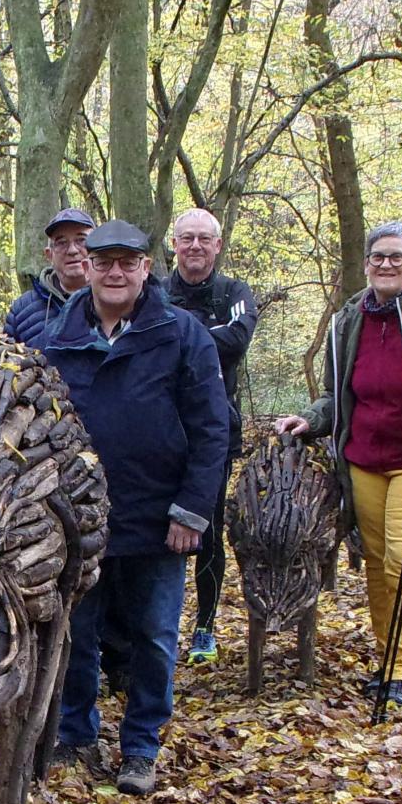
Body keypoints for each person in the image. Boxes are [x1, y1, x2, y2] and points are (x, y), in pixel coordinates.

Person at [42, 221, 230, 796]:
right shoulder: (60, 334)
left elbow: (211, 428)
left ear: (147, 267)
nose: (115, 273)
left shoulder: (181, 332)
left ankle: (141, 746)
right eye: (105, 263)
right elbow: (39, 426)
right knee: (76, 632)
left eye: (128, 262)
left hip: (159, 518)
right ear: (87, 267)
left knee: (152, 636)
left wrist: (191, 512)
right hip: (79, 519)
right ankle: (75, 735)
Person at [275, 221, 402, 707]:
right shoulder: (349, 320)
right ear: (367, 263)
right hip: (364, 460)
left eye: (396, 257)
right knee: (375, 561)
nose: (386, 265)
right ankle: (385, 655)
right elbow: (337, 396)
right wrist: (309, 419)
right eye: (378, 257)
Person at [162, 208, 259, 666]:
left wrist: (178, 333)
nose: (196, 246)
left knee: (206, 529)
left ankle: (204, 625)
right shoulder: (155, 291)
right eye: (187, 238)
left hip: (215, 431)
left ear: (218, 246)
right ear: (174, 245)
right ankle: (150, 629)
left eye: (205, 239)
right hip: (158, 429)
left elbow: (237, 338)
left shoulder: (233, 292)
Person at [4, 208, 94, 347]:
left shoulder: (115, 301)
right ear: (49, 254)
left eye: (81, 240)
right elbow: (7, 362)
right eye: (61, 242)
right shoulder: (22, 310)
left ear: (97, 249)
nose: (72, 250)